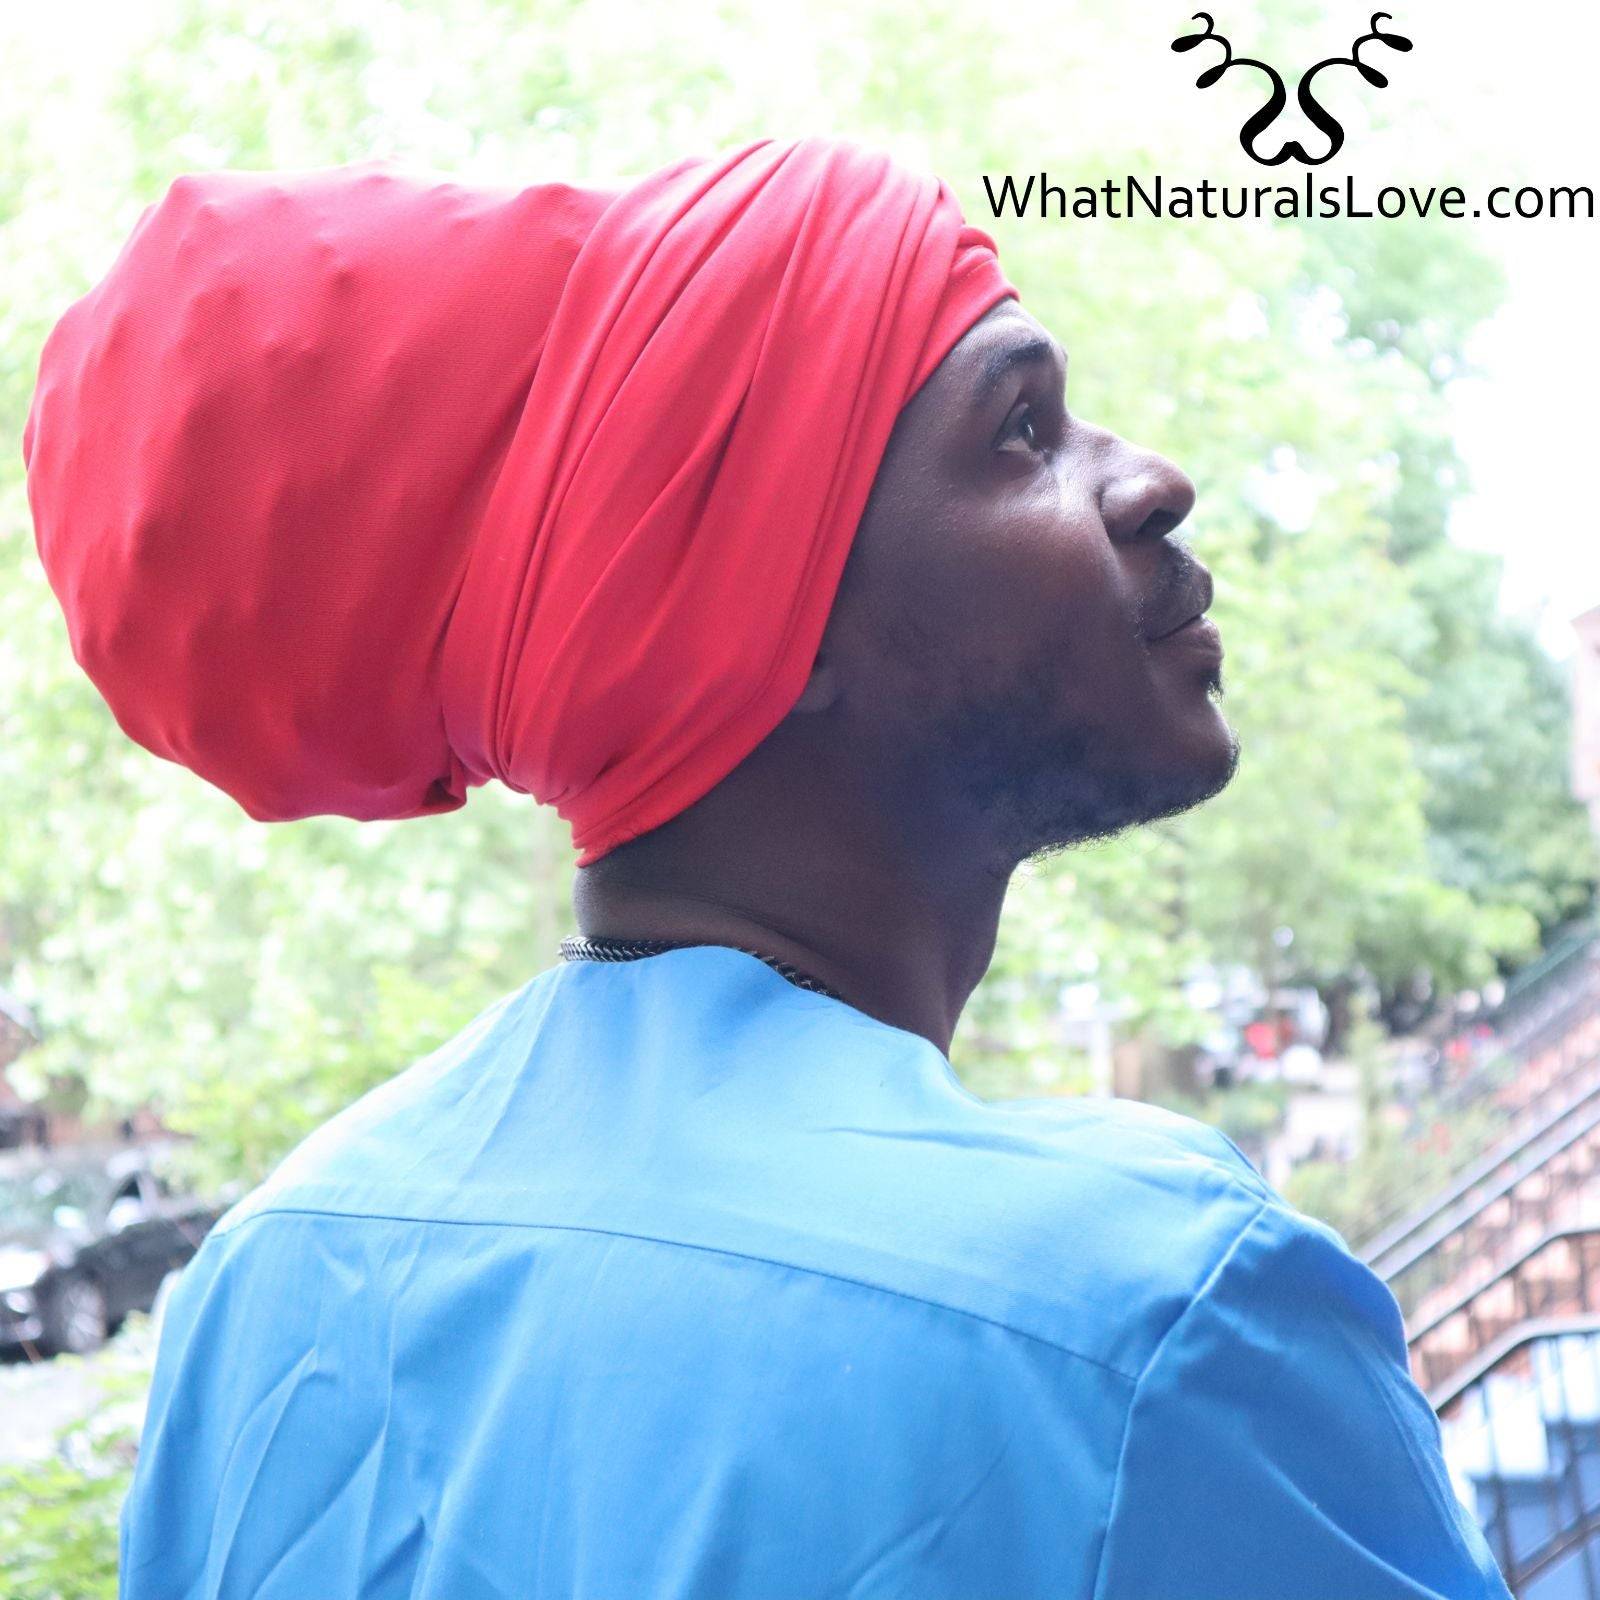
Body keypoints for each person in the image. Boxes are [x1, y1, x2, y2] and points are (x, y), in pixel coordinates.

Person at [23, 136, 1510, 1598]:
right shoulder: (1146, 1324)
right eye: (1023, 431)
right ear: (746, 623)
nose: (1152, 479)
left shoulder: (271, 1281)